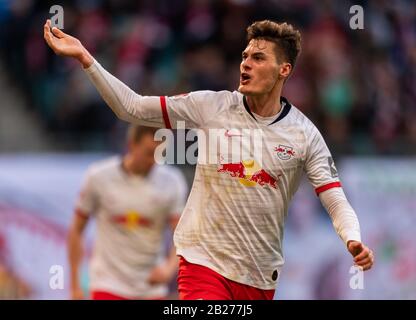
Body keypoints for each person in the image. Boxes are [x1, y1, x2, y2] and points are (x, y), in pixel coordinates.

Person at [44, 19, 374, 300]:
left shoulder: (304, 134)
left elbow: (335, 200)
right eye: (245, 56)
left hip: (259, 275)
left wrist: (352, 237)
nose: (245, 63)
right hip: (202, 261)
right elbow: (130, 106)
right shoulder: (211, 105)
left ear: (283, 70)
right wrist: (86, 58)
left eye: (258, 58)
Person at [67, 125, 188, 300]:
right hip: (108, 284)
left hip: (150, 287)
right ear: (131, 145)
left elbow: (182, 235)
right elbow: (76, 230)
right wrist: (74, 284)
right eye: (148, 152)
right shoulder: (99, 177)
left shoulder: (172, 181)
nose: (153, 160)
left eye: (160, 154)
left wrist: (169, 269)